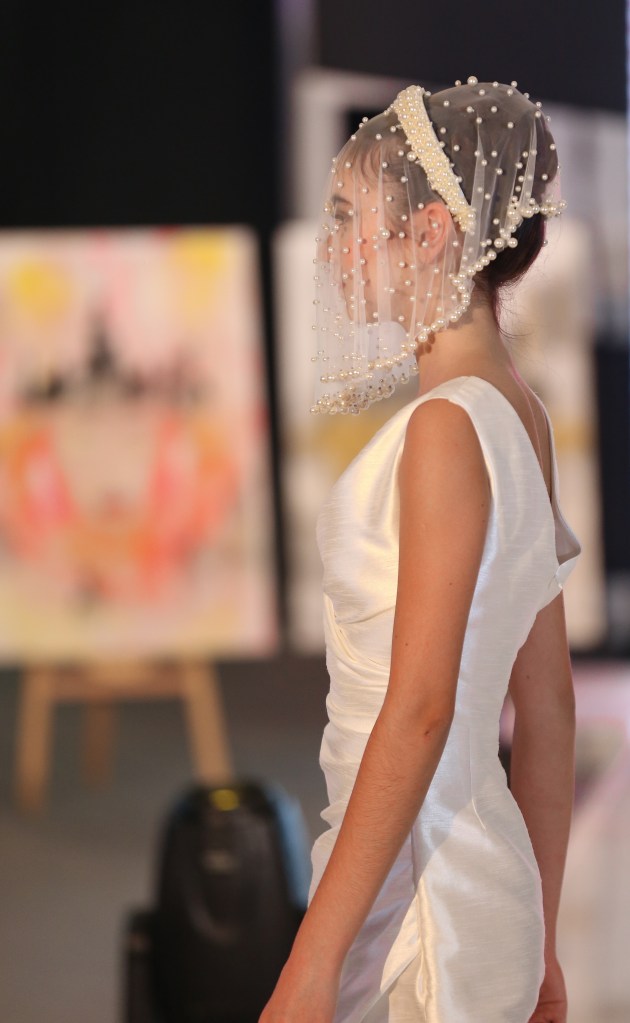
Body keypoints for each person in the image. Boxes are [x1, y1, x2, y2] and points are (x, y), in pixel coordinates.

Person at [260, 77, 581, 1023]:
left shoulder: (445, 427)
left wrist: (313, 962)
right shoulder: (521, 413)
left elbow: (420, 710)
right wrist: (541, 940)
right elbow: (550, 707)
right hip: (478, 891)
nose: (332, 248)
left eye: (347, 217)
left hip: (421, 905)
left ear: (433, 231)